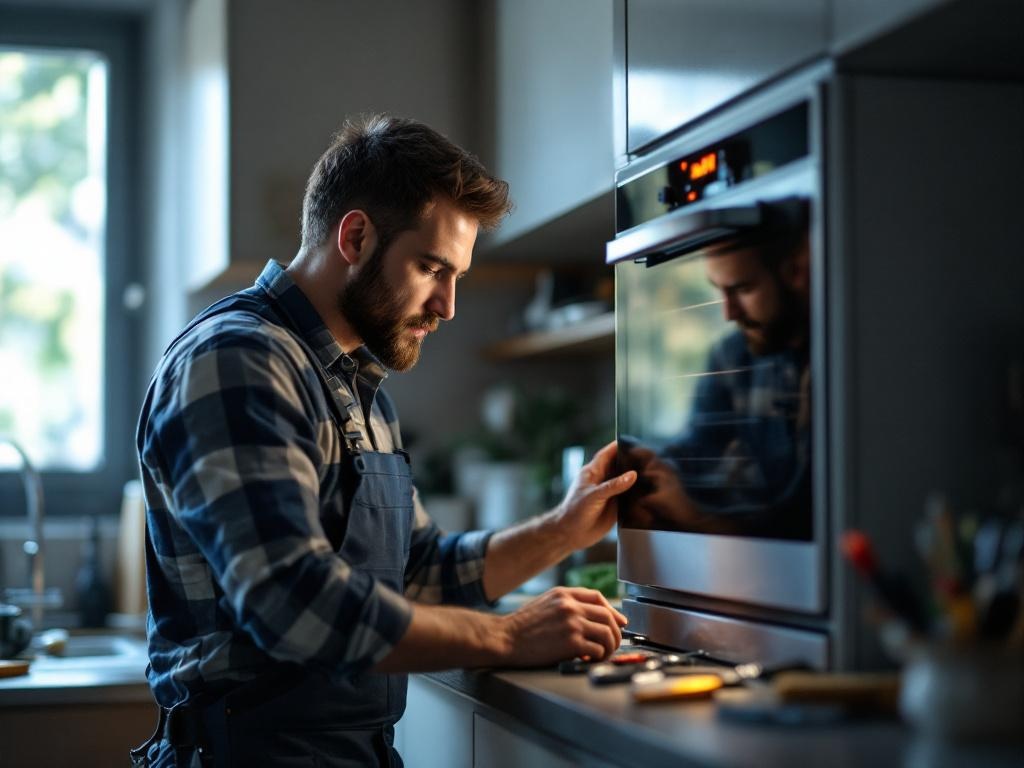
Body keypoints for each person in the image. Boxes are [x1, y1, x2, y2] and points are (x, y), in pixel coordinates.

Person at [132, 115, 637, 768]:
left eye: (456, 276)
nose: (447, 305)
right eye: (431, 268)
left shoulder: (357, 385)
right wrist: (507, 636)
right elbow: (290, 600)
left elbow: (420, 574)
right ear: (356, 237)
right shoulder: (238, 360)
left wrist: (565, 529)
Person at [622, 199, 812, 539]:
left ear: (796, 272)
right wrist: (641, 462)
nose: (728, 312)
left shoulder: (839, 361)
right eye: (719, 291)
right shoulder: (732, 355)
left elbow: (802, 518)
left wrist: (698, 518)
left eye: (742, 289)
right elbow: (700, 448)